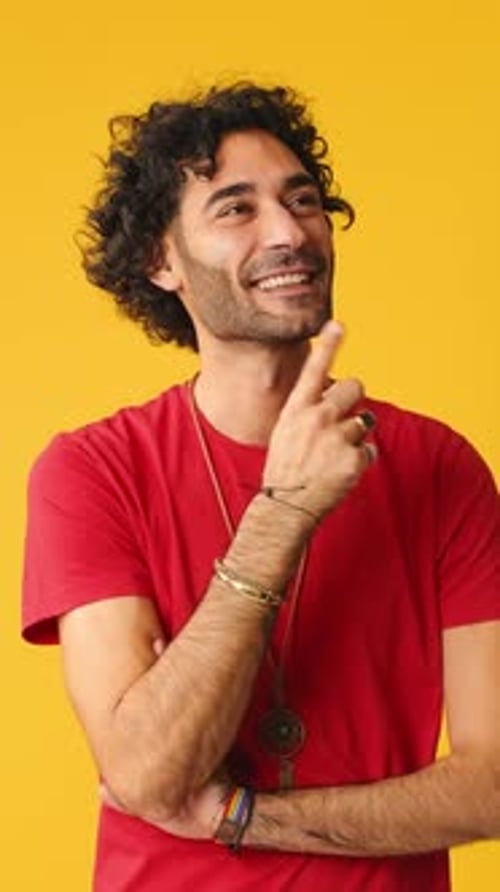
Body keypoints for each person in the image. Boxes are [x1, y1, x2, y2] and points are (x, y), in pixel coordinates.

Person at [22, 83, 500, 892]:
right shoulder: (90, 470)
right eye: (235, 209)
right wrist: (282, 513)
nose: (289, 232)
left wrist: (237, 817)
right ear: (159, 260)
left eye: (303, 200)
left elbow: (493, 786)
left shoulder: (439, 465)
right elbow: (144, 772)